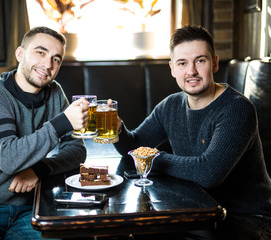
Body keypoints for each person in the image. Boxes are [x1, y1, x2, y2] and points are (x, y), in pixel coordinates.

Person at [114, 25, 271, 239]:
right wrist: (118, 129)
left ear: (214, 63)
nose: (191, 72)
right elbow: (133, 147)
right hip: (195, 209)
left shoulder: (237, 109)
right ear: (172, 68)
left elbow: (208, 173)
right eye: (182, 63)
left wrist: (151, 158)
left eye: (200, 60)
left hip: (245, 218)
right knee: (136, 231)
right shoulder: (170, 105)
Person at [0, 26, 90, 240]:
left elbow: (77, 150)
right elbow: (9, 159)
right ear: (20, 54)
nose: (47, 64)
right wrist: (63, 122)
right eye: (40, 52)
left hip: (30, 209)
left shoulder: (55, 93)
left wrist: (39, 169)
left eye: (56, 59)